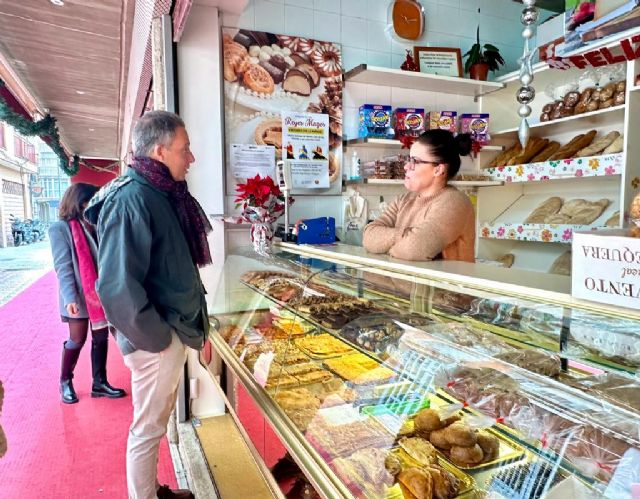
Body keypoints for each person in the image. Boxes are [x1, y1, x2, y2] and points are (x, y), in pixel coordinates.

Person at [85, 110, 212, 499]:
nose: (191, 158)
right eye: (184, 149)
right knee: (147, 428)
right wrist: (158, 340)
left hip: (166, 329)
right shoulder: (132, 197)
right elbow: (116, 287)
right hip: (155, 339)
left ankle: (153, 489)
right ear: (160, 151)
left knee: (153, 422)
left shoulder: (158, 191)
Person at [48, 183, 126, 404]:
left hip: (100, 292)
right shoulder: (60, 229)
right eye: (88, 201)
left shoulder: (95, 223)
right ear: (78, 202)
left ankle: (99, 383)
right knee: (77, 339)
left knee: (101, 338)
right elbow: (63, 267)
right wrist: (70, 298)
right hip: (78, 296)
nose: (92, 205)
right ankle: (65, 381)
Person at [363, 129, 476, 262]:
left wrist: (386, 247)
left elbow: (413, 249)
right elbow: (368, 237)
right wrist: (405, 236)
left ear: (438, 169)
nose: (406, 166)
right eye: (408, 160)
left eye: (415, 161)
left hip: (442, 283)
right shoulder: (404, 200)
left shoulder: (455, 202)